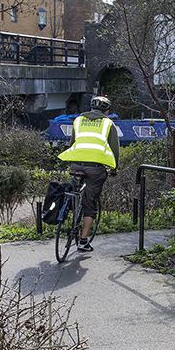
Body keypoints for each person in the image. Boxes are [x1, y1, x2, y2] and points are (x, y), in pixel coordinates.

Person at [56, 96, 120, 252]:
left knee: (73, 191)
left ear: (91, 109)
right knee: (90, 204)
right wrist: (113, 169)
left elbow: (72, 143)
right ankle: (83, 242)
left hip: (76, 164)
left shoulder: (78, 120)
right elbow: (115, 150)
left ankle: (66, 210)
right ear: (106, 111)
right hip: (95, 169)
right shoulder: (108, 123)